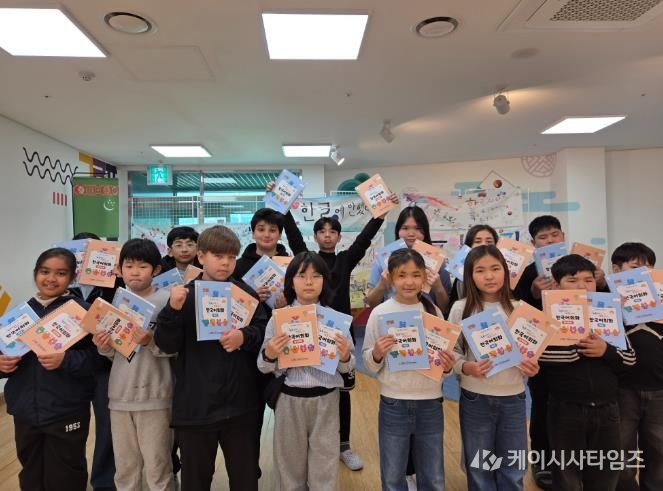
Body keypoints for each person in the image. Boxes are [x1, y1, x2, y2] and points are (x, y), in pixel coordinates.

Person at [277, 182, 399, 470]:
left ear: (339, 236)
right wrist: (283, 206)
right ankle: (312, 444)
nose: (327, 235)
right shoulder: (308, 261)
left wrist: (379, 215)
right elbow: (293, 236)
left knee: (343, 391)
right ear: (316, 236)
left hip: (339, 334)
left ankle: (343, 445)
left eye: (332, 231)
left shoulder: (345, 260)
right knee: (312, 387)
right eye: (322, 231)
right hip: (308, 332)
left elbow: (364, 241)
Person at [154, 225, 267, 490]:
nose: (225, 263)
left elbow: (264, 331)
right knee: (195, 480)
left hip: (241, 406)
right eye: (218, 256)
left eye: (231, 257)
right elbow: (166, 344)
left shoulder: (245, 295)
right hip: (196, 407)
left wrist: (244, 336)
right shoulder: (184, 295)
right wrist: (172, 310)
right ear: (201, 257)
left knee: (245, 478)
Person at [0, 248, 100, 490]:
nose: (51, 279)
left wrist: (66, 359)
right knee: (30, 466)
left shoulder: (83, 312)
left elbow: (100, 359)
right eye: (45, 271)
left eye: (61, 273)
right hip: (25, 409)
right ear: (35, 273)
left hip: (66, 409)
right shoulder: (18, 315)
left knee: (67, 469)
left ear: (72, 277)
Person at [258, 251, 355, 490]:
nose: (309, 282)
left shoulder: (336, 320)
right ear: (291, 281)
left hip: (327, 400)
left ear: (325, 281)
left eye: (316, 276)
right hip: (289, 399)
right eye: (302, 275)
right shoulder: (279, 319)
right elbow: (262, 365)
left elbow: (349, 366)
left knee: (325, 464)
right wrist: (270, 353)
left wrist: (344, 356)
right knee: (289, 466)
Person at [539, 254, 636, 490]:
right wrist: (576, 346)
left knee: (605, 475)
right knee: (567, 476)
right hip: (565, 408)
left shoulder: (608, 313)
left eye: (588, 280)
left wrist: (605, 350)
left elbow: (630, 359)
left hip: (608, 409)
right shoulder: (548, 317)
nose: (582, 286)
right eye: (572, 281)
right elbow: (541, 358)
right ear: (556, 285)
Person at [363, 248, 455, 490]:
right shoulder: (380, 313)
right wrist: (377, 353)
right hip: (394, 401)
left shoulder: (432, 311)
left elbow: (444, 361)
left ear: (424, 277)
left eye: (416, 275)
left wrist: (447, 367)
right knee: (393, 475)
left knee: (433, 475)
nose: (409, 281)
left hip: (431, 401)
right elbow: (368, 363)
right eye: (402, 275)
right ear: (390, 278)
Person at [450, 245, 539, 490]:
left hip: (513, 398)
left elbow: (532, 355)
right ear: (470, 276)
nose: (489, 276)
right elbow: (451, 352)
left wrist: (533, 367)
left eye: (495, 268)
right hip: (475, 397)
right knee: (480, 467)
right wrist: (466, 367)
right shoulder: (461, 308)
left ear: (506, 272)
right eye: (480, 270)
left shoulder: (520, 310)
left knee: (513, 467)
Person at [92, 239, 175, 490]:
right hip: (119, 395)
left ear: (156, 270)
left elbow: (175, 348)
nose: (135, 272)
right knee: (125, 467)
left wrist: (150, 341)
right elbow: (113, 354)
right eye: (129, 266)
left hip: (155, 395)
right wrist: (103, 345)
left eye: (142, 266)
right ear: (119, 270)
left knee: (158, 466)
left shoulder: (167, 302)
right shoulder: (115, 304)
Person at [611, 242, 661, 491]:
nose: (643, 274)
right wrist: (617, 308)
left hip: (659, 387)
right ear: (616, 270)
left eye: (648, 268)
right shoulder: (605, 301)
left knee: (659, 450)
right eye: (635, 267)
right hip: (622, 389)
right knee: (620, 453)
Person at [366, 206, 452, 313]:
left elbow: (445, 308)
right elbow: (371, 304)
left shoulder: (437, 260)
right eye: (405, 228)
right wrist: (382, 285)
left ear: (425, 231)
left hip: (427, 318)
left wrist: (438, 287)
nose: (411, 233)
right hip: (392, 318)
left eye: (417, 228)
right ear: (398, 230)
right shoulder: (383, 259)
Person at [447, 224, 499, 308]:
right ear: (469, 247)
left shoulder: (504, 271)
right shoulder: (461, 276)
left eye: (489, 241)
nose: (483, 244)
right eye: (477, 241)